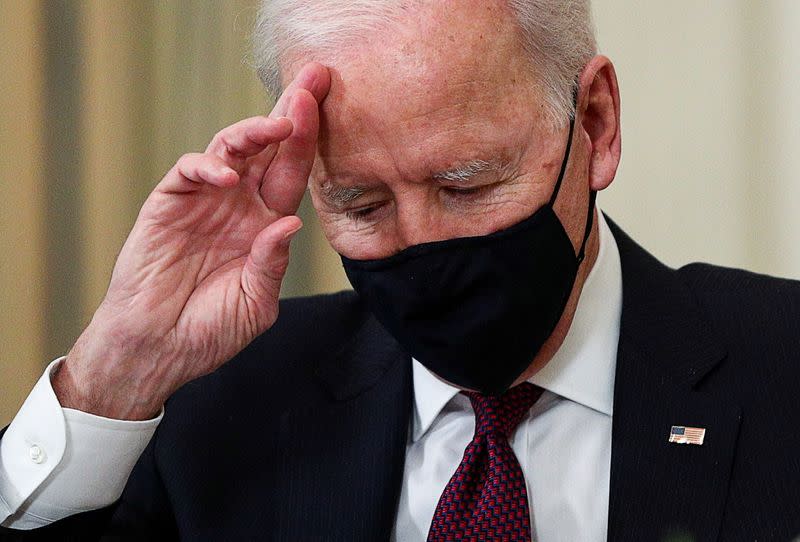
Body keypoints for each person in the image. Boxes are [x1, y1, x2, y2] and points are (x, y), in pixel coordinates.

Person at [1, 0, 799, 540]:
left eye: (467, 185)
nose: (420, 245)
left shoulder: (783, 368)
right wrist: (115, 375)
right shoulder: (217, 404)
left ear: (595, 121)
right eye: (361, 204)